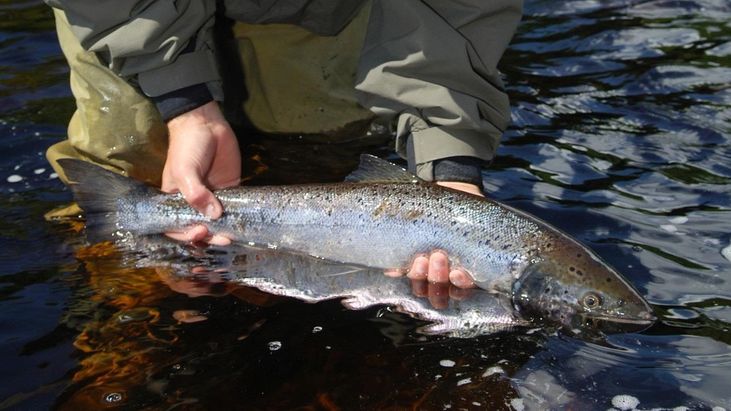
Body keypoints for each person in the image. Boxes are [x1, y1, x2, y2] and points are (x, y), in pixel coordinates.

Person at [44, 0, 523, 290]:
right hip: (122, 9)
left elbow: (457, 13)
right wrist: (186, 106)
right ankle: (118, 326)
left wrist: (449, 168)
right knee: (131, 170)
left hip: (324, 14)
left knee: (322, 150)